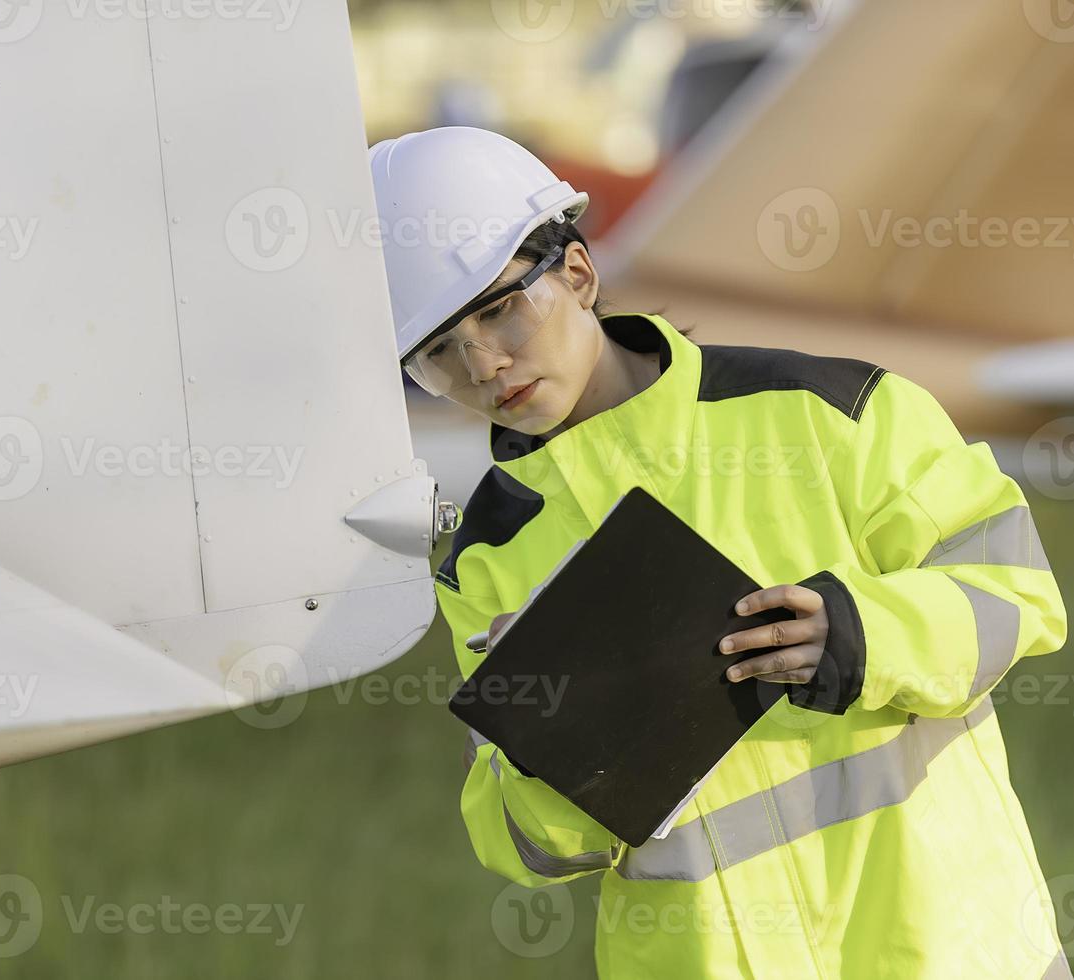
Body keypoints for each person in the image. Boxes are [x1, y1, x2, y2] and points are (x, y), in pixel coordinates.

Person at [368, 126, 1071, 979]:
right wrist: (557, 730)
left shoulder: (826, 411)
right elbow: (526, 846)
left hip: (942, 946)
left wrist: (857, 634)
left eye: (498, 309)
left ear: (579, 273)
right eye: (436, 353)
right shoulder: (484, 555)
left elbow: (1018, 596)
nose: (482, 364)